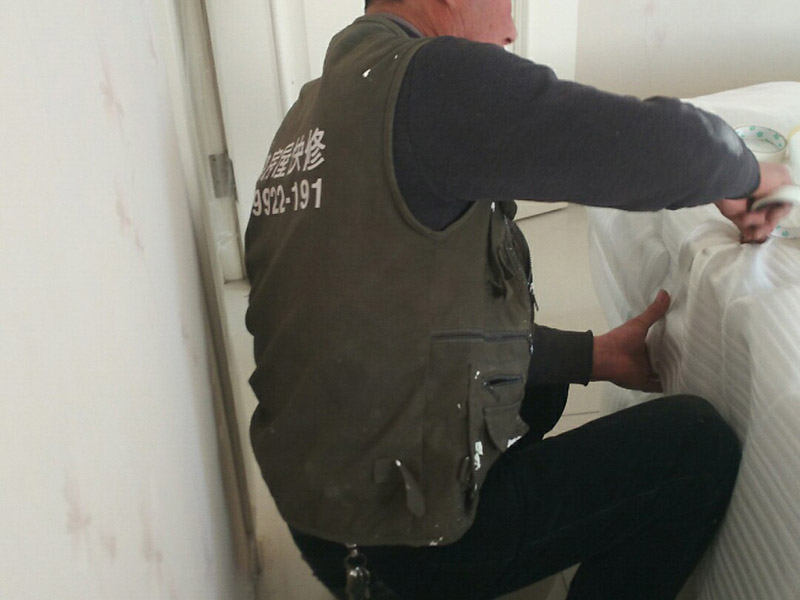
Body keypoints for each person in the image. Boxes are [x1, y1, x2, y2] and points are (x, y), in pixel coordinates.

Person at [244, 1, 793, 598]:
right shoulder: (430, 79)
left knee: (541, 388)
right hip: (395, 543)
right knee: (694, 448)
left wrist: (594, 356)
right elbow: (629, 142)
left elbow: (394, 319)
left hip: (323, 508)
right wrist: (747, 174)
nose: (510, 30)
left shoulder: (318, 105)